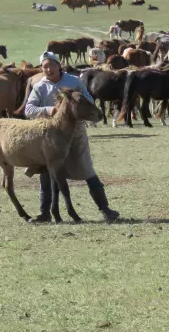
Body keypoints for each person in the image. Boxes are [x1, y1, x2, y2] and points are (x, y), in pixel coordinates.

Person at [24, 52, 120, 223]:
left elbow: (89, 101)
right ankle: (44, 213)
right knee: (46, 173)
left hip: (75, 133)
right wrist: (48, 110)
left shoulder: (73, 82)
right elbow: (28, 109)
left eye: (51, 65)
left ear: (58, 65)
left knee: (86, 169)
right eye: (44, 66)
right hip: (51, 137)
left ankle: (106, 210)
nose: (48, 69)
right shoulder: (40, 86)